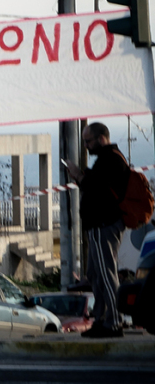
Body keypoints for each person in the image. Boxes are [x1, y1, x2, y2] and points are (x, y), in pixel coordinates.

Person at [65, 122, 130, 338]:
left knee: (106, 273)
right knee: (95, 274)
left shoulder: (111, 159)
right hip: (98, 226)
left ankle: (113, 321)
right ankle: (101, 317)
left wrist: (79, 175)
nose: (86, 146)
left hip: (105, 225)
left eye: (88, 141)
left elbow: (98, 189)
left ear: (101, 138)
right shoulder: (106, 159)